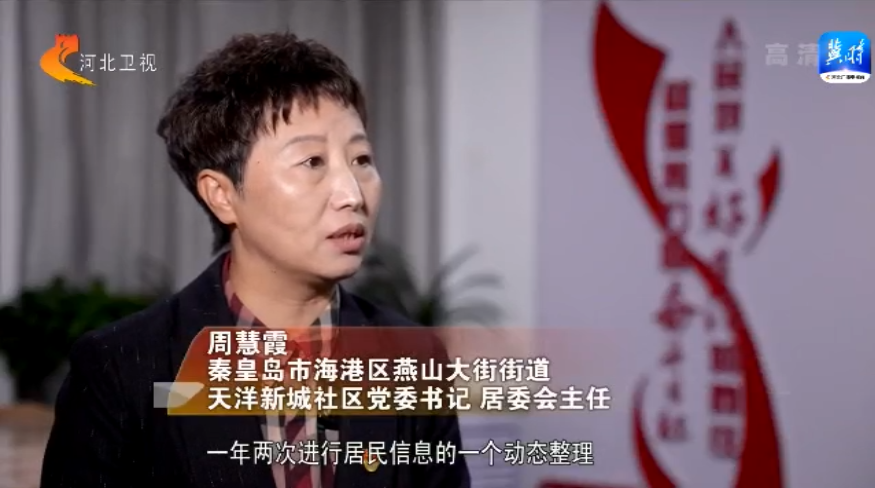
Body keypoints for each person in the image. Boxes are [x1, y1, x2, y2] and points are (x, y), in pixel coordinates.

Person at [40, 32, 470, 488]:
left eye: (361, 158)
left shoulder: (413, 358)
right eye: (312, 162)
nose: (352, 194)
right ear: (222, 196)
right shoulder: (121, 367)